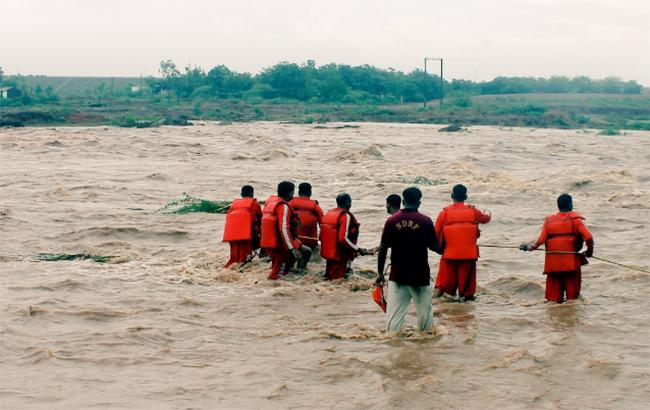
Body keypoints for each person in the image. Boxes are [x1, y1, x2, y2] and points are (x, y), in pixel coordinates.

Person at [375, 187, 439, 332]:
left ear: (403, 201)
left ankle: (395, 348)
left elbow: (383, 248)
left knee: (393, 322)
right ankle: (425, 347)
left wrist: (379, 273)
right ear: (419, 202)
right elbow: (436, 247)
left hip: (398, 275)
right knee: (426, 321)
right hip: (420, 276)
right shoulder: (426, 221)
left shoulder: (392, 221)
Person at [519, 194, 594, 303]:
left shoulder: (548, 222)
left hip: (553, 266)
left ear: (558, 206)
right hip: (571, 266)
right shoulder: (576, 221)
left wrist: (527, 246)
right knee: (573, 300)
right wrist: (589, 252)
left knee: (553, 302)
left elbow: (539, 241)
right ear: (571, 205)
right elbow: (589, 237)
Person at [433, 184, 491, 301]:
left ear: (452, 196)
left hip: (449, 258)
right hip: (468, 258)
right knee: (467, 295)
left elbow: (434, 236)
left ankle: (444, 315)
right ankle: (466, 316)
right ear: (465, 196)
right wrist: (488, 212)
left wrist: (439, 249)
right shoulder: (473, 211)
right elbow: (486, 219)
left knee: (447, 294)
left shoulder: (444, 213)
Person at [261, 181, 311, 280]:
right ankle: (275, 288)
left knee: (307, 252)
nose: (293, 195)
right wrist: (291, 248)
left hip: (273, 242)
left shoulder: (272, 204)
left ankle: (298, 277)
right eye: (293, 192)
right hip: (281, 244)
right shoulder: (283, 207)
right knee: (278, 274)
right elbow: (283, 228)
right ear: (289, 193)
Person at [320, 193, 368, 280]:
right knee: (340, 280)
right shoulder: (345, 216)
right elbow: (343, 238)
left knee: (330, 279)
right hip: (340, 256)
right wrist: (357, 249)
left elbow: (321, 236)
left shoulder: (329, 214)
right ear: (347, 203)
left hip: (330, 254)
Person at [222, 185, 263, 268]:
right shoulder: (255, 203)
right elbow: (261, 220)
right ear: (252, 194)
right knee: (244, 260)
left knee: (234, 259)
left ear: (241, 194)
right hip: (246, 235)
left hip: (232, 235)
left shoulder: (234, 205)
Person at [289, 182, 324, 268]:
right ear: (310, 193)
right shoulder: (316, 207)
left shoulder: (290, 204)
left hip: (295, 241)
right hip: (311, 242)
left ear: (299, 192)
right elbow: (323, 226)